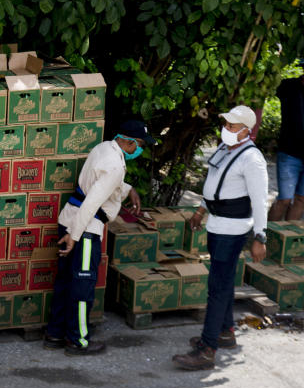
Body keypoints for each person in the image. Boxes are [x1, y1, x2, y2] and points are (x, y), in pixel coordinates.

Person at [44, 120, 154, 355]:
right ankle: (78, 340)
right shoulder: (114, 165)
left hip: (70, 221)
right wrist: (75, 236)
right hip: (84, 229)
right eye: (140, 145)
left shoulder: (104, 148)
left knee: (65, 282)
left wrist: (128, 189)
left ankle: (55, 333)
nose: (140, 150)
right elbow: (93, 201)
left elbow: (101, 184)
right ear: (128, 141)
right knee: (82, 288)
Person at [174, 106, 268, 370]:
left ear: (246, 131)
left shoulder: (253, 159)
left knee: (217, 288)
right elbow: (214, 184)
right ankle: (225, 331)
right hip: (216, 224)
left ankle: (207, 350)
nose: (227, 129)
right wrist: (201, 210)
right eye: (226, 124)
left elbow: (260, 202)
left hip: (233, 228)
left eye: (233, 126)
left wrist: (260, 236)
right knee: (222, 282)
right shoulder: (225, 150)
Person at [269, 73, 304, 221]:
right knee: (284, 199)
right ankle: (266, 238)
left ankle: (286, 241)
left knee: (301, 200)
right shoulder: (288, 86)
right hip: (289, 154)